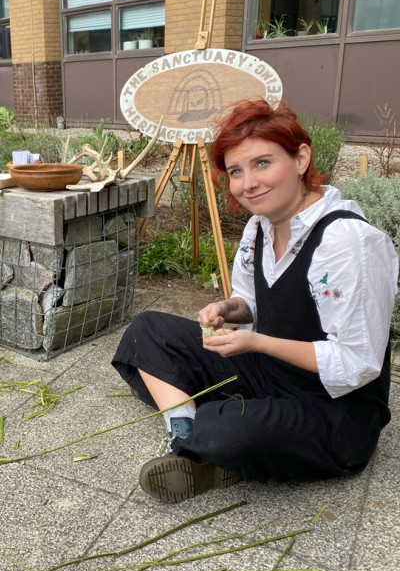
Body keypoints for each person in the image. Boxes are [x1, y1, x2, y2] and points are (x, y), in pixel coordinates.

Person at [112, 99, 398, 503]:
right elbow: (250, 302)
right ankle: (188, 435)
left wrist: (257, 342)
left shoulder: (348, 243)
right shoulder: (259, 227)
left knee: (230, 428)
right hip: (271, 375)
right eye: (236, 171)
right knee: (147, 333)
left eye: (263, 163)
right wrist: (227, 310)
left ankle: (216, 440)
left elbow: (358, 363)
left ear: (301, 158)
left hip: (332, 409)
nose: (248, 183)